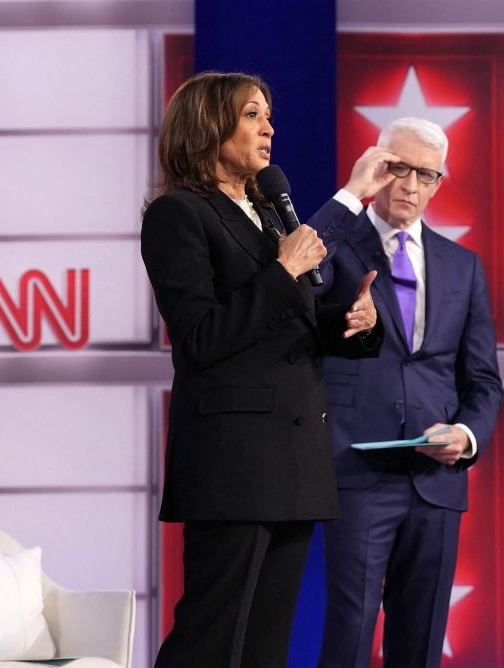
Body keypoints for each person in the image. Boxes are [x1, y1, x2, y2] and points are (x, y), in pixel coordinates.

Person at [141, 71, 386, 668]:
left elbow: (281, 328)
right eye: (252, 115)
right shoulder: (178, 214)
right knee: (211, 640)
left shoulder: (267, 213)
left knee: (265, 647)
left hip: (294, 460)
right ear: (207, 126)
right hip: (234, 462)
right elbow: (200, 338)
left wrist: (352, 323)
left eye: (269, 116)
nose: (269, 128)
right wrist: (282, 270)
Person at [308, 117, 504, 668]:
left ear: (440, 182)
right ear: (377, 165)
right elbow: (293, 271)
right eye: (399, 169)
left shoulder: (462, 266)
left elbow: (483, 379)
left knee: (420, 643)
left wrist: (466, 435)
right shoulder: (337, 245)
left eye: (427, 175)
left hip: (436, 480)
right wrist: (350, 195)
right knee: (349, 633)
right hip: (357, 470)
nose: (411, 186)